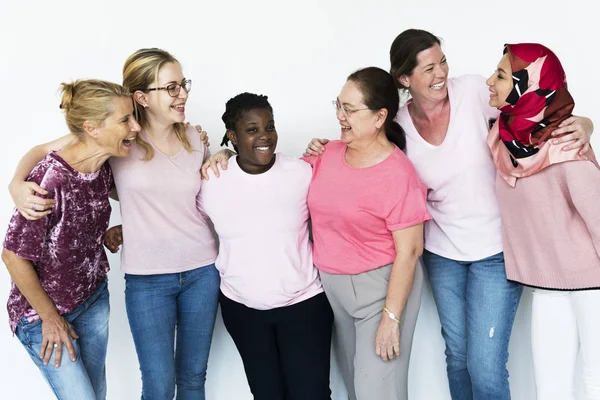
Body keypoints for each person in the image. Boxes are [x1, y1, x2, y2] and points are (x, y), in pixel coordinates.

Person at [303, 29, 594, 400]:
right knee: (456, 357)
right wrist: (321, 146)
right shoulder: (399, 128)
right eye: (427, 68)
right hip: (442, 254)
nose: (440, 73)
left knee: (485, 366)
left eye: (442, 61)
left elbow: (531, 109)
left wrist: (583, 122)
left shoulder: (474, 92)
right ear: (404, 79)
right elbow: (365, 154)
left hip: (496, 250)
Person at [202, 67, 430, 400]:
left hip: (381, 287)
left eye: (349, 110)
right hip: (333, 289)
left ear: (380, 117)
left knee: (377, 390)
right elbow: (266, 177)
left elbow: (410, 251)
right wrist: (225, 154)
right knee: (355, 384)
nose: (340, 116)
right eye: (338, 105)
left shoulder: (399, 173)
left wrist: (392, 318)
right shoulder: (328, 154)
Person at [8, 48, 219, 400]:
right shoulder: (109, 147)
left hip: (182, 275)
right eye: (171, 87)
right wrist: (16, 182)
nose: (182, 93)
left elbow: (183, 196)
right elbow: (44, 152)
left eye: (183, 84)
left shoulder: (179, 139)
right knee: (158, 385)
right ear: (142, 97)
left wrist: (225, 152)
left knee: (190, 379)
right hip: (132, 284)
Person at [2, 79, 140, 399]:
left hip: (92, 299)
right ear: (91, 128)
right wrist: (50, 319)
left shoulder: (102, 164)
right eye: (125, 120)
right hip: (44, 315)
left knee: (96, 394)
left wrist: (110, 231)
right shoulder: (50, 179)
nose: (135, 127)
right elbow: (12, 256)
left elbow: (134, 201)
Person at [199, 92, 333, 399]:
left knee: (311, 394)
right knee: (267, 393)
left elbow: (338, 206)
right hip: (243, 310)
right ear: (232, 136)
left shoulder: (301, 173)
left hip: (304, 305)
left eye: (269, 127)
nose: (265, 137)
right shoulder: (212, 180)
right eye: (252, 129)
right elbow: (181, 220)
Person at [486, 42, 600, 400]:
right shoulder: (502, 137)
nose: (490, 81)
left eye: (502, 75)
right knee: (549, 389)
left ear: (529, 85)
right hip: (547, 285)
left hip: (592, 286)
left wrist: (586, 125)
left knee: (595, 382)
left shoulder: (567, 144)